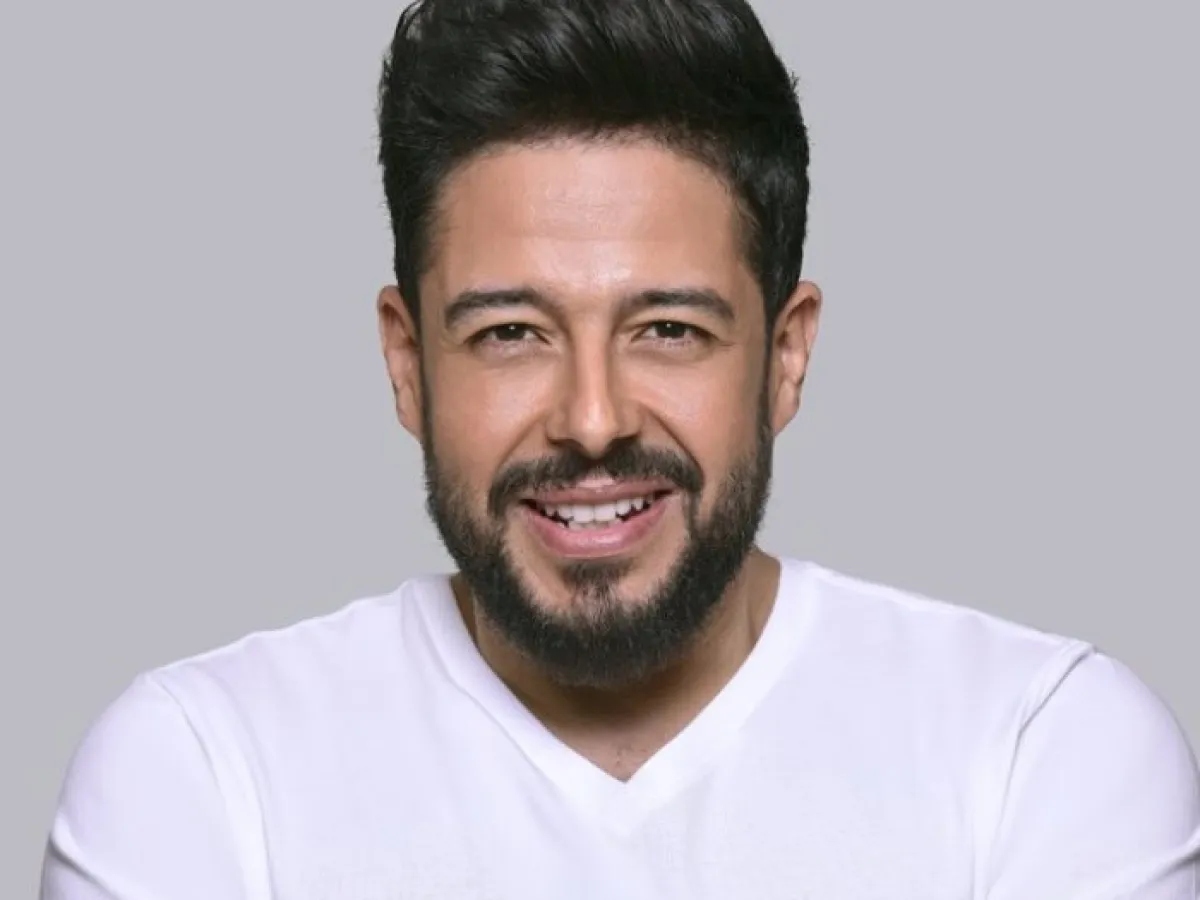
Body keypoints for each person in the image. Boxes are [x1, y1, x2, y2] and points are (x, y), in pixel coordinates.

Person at [41, 0, 1200, 897]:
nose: (592, 419)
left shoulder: (1036, 752)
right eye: (510, 333)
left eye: (669, 330)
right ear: (407, 362)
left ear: (785, 355)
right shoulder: (205, 772)